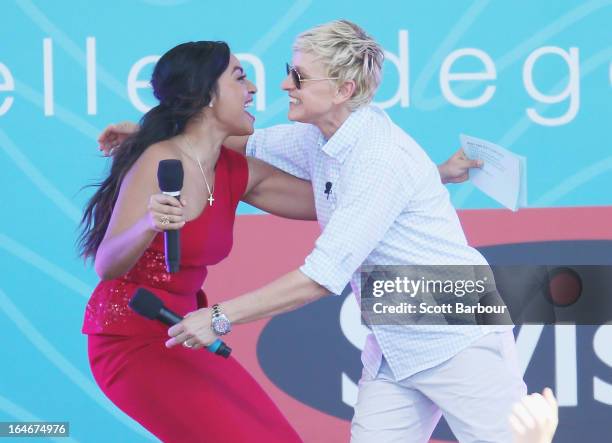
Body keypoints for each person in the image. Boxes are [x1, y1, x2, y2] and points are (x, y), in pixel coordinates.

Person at [159, 21, 527, 442]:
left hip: (458, 337)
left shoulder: (377, 157)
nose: (284, 84)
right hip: (395, 346)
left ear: (343, 90)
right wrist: (145, 139)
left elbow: (322, 276)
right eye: (288, 70)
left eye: (299, 76)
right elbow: (227, 140)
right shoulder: (320, 139)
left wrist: (220, 317)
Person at [78, 40, 314, 442]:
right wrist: (147, 224)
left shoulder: (236, 169)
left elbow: (329, 200)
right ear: (205, 94)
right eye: (239, 77)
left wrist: (429, 176)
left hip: (185, 332)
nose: (253, 88)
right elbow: (107, 265)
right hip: (130, 340)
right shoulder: (157, 159)